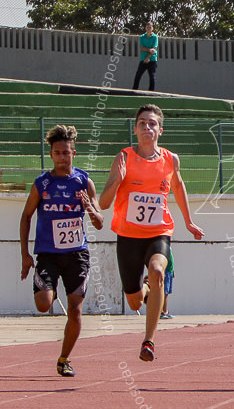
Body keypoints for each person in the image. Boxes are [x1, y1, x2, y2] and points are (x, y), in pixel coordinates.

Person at [98, 104, 204, 362]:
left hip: (159, 231)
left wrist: (189, 222)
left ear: (160, 130)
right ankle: (146, 288)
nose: (147, 127)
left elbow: (178, 188)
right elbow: (103, 203)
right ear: (135, 129)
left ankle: (149, 341)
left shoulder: (170, 159)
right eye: (143, 123)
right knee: (134, 302)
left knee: (158, 270)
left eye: (152, 123)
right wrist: (117, 179)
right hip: (128, 236)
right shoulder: (123, 157)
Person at [19, 125, 104, 377]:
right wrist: (25, 254)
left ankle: (64, 358)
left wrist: (89, 207)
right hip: (48, 253)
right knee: (44, 304)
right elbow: (26, 217)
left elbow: (99, 222)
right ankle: (48, 284)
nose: (61, 157)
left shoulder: (83, 181)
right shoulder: (42, 183)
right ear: (51, 154)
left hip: (77, 254)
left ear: (73, 153)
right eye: (57, 153)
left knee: (75, 310)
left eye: (66, 152)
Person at [131, 21, 159, 91]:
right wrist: (149, 50)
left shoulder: (155, 37)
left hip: (152, 59)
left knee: (152, 76)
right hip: (143, 59)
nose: (148, 29)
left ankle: (151, 92)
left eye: (150, 27)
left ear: (152, 28)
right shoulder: (142, 37)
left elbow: (154, 49)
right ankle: (134, 90)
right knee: (138, 75)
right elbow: (141, 48)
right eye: (147, 27)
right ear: (145, 28)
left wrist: (148, 57)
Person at [160, 247, 174, 319]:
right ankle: (161, 312)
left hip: (169, 271)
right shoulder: (164, 247)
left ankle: (165, 311)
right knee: (164, 293)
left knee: (166, 293)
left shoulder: (168, 247)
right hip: (166, 271)